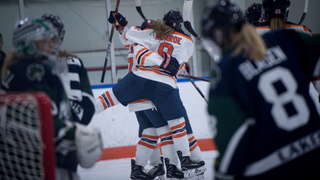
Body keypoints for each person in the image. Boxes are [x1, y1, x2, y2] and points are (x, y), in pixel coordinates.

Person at [201, 0, 320, 179]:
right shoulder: (286, 39)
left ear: (218, 34)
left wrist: (222, 174)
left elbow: (234, 138)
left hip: (269, 168)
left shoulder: (225, 71)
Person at [96, 10, 205, 179]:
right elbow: (175, 63)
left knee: (151, 131)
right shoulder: (185, 40)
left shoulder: (151, 34)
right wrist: (172, 64)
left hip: (136, 87)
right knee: (170, 127)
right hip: (157, 88)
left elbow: (128, 36)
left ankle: (155, 166)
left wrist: (121, 24)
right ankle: (173, 164)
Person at [0, 17, 102, 180]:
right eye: (45, 41)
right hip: (38, 165)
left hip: (23, 164)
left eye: (52, 40)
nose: (52, 45)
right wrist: (75, 135)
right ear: (28, 44)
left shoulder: (18, 68)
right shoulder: (34, 71)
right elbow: (42, 124)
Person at [41, 14, 96, 173]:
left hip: (46, 141)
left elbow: (88, 104)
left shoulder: (72, 63)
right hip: (63, 140)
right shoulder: (73, 62)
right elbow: (87, 105)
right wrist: (73, 129)